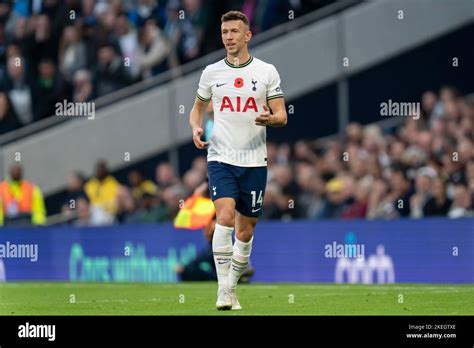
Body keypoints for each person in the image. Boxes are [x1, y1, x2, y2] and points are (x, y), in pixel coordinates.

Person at [188, 11, 287, 310]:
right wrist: (195, 126)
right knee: (225, 217)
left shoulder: (267, 71)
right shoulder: (211, 73)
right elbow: (197, 109)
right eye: (224, 32)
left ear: (247, 36)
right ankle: (222, 290)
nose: (228, 36)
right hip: (220, 157)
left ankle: (231, 287)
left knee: (245, 233)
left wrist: (272, 119)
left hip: (255, 161)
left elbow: (282, 114)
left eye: (234, 31)